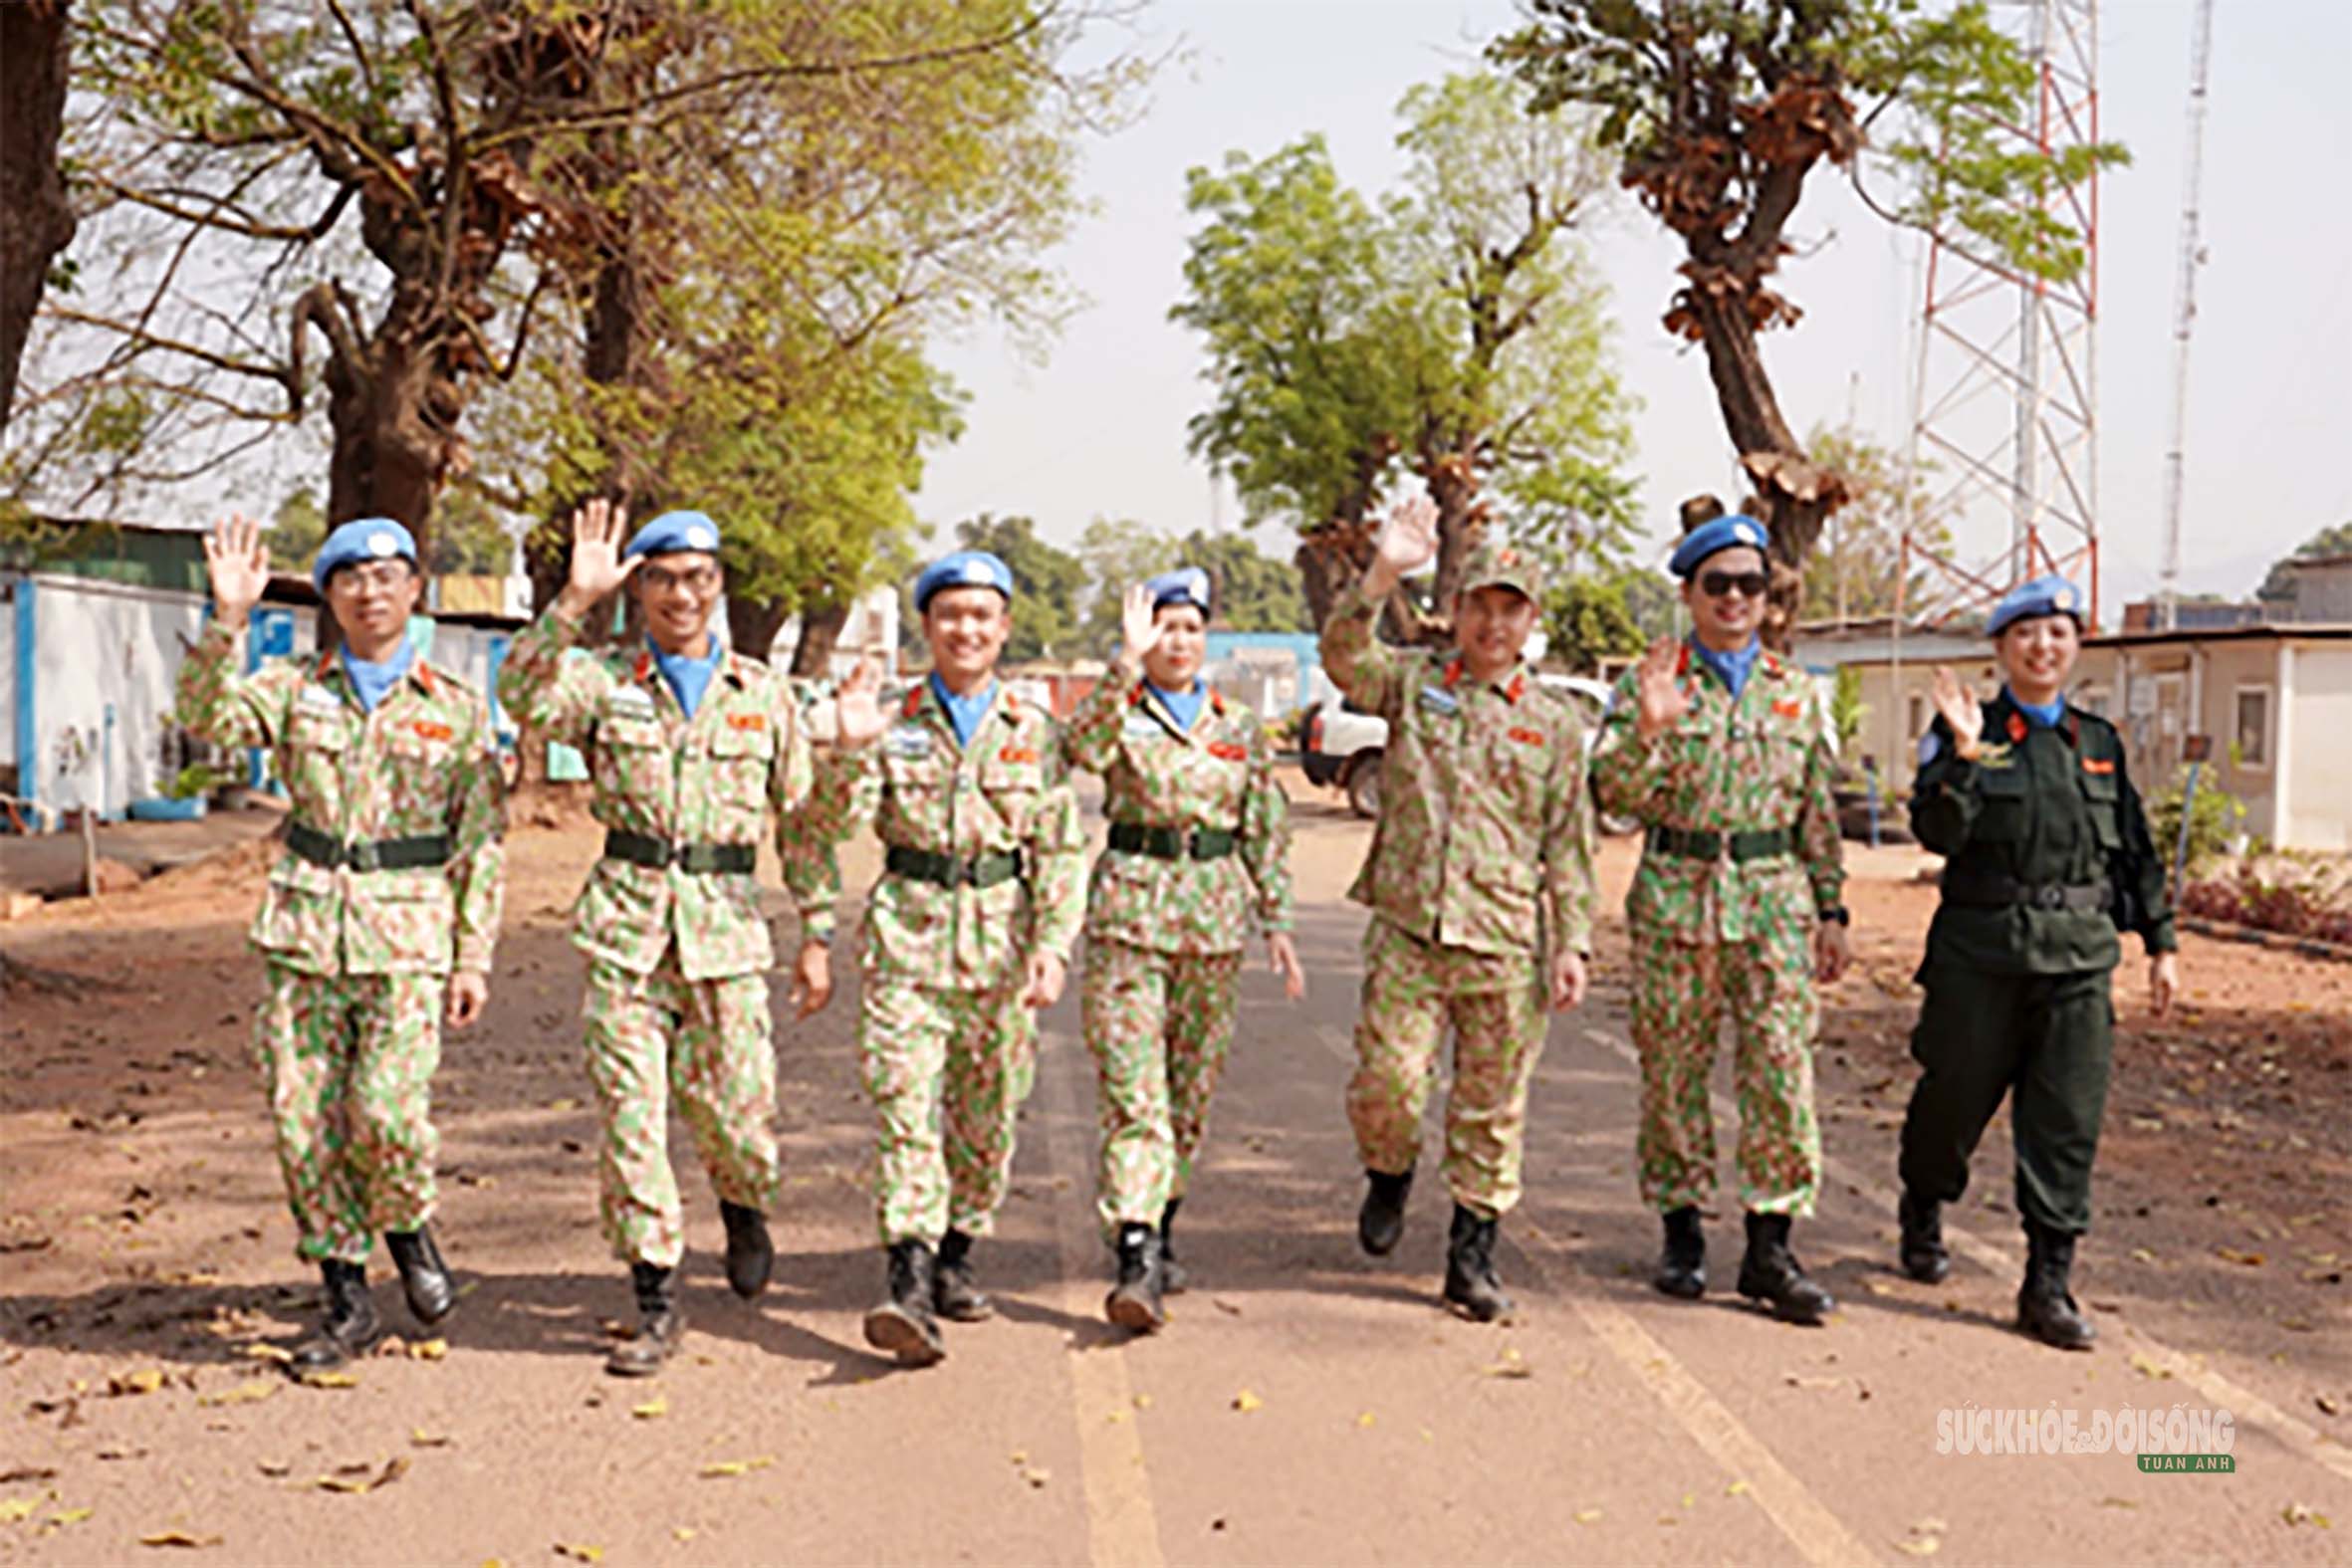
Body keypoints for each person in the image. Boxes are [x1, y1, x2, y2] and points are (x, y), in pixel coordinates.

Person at [499, 501, 867, 1377]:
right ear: (641, 589)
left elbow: (806, 824)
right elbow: (518, 694)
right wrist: (570, 604)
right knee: (632, 1121)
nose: (680, 594)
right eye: (660, 578)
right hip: (627, 931)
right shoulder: (601, 680)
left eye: (697, 577)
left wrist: (817, 932)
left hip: (729, 935)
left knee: (740, 1119)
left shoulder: (764, 694)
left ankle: (743, 1205)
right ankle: (656, 1295)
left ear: (721, 587)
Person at [177, 514, 504, 1371]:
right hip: (305, 934)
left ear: (414, 590)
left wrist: (473, 956)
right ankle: (346, 1297)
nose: (370, 590)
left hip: (407, 938)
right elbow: (204, 714)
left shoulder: (460, 712)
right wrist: (229, 619)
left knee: (387, 1113)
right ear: (329, 595)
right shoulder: (292, 689)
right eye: (350, 578)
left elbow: (480, 844)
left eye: (387, 575)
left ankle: (409, 1226)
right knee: (305, 1122)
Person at [783, 550, 1085, 1366]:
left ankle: (955, 1251)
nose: (966, 629)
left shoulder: (1035, 732)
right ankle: (907, 1280)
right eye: (950, 614)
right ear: (927, 627)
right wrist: (847, 752)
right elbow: (820, 827)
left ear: (1004, 628)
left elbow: (1060, 849)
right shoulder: (891, 722)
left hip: (1000, 952)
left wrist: (1053, 945)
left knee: (986, 1124)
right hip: (906, 947)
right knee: (906, 1114)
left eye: (981, 615)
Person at [1320, 498, 1596, 1322]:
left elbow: (1567, 842)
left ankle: (1471, 1254)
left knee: (1491, 1104)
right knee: (1388, 1084)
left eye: (1510, 609)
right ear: (1456, 610)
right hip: (1410, 925)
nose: (1493, 623)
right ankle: (1389, 1173)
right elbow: (1343, 657)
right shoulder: (1412, 684)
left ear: (1531, 620)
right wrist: (1381, 573)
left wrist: (1571, 942)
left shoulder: (1553, 722)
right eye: (1480, 604)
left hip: (1505, 942)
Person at [1898, 573, 2178, 1350]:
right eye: (2026, 632)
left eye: (2057, 631)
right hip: (1981, 957)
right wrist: (1959, 753)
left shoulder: (2099, 743)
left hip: (2080, 961)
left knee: (2065, 1122)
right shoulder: (1966, 728)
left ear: (2075, 645)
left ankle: (2047, 1282)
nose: (2042, 645)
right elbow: (1938, 833)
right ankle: (1923, 1200)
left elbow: (2137, 850)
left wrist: (2161, 942)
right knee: (1951, 1102)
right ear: (2001, 647)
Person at [1589, 514, 1850, 1326]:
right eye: (1718, 583)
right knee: (1673, 1075)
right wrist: (1651, 736)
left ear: (1770, 597)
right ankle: (1681, 1231)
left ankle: (1771, 1246)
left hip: (1775, 905)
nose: (1735, 597)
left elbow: (1817, 811)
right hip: (1677, 897)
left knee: (1780, 1072)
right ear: (1689, 593)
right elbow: (1614, 801)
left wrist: (1833, 906)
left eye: (1751, 583)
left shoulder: (1797, 693)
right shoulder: (1649, 685)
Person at [1059, 568, 1304, 1331]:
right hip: (1131, 919)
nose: (1180, 642)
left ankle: (1160, 1223)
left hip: (1214, 923)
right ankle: (1134, 1251)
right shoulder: (1121, 711)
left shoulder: (1235, 726)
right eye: (1166, 627)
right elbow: (1081, 751)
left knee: (1189, 1094)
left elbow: (1265, 823)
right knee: (1137, 1095)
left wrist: (1280, 922)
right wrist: (1119, 667)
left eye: (1192, 629)